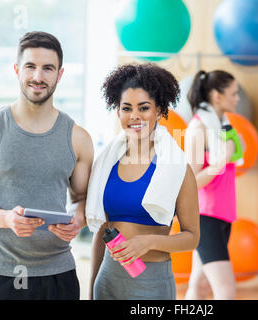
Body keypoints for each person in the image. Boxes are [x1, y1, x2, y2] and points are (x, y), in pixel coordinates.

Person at [0, 31, 94, 300]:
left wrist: (77, 219)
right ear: (17, 70)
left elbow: (83, 199)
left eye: (48, 68)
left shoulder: (78, 138)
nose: (38, 77)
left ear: (60, 75)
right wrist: (6, 219)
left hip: (59, 275)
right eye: (30, 67)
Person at [86, 63, 200, 300]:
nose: (134, 116)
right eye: (126, 108)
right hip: (107, 279)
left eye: (144, 107)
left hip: (152, 282)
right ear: (118, 112)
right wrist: (92, 285)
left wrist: (147, 242)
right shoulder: (106, 164)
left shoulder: (177, 168)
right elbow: (103, 230)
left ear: (159, 111)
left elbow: (192, 237)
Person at [184, 70, 244, 300]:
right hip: (204, 217)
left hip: (222, 215)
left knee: (199, 286)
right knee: (226, 291)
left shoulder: (223, 126)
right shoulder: (199, 129)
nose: (238, 98)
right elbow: (189, 183)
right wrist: (219, 163)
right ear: (216, 96)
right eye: (234, 94)